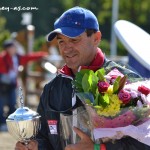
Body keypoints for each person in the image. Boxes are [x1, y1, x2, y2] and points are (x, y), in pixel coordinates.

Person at [15, 6, 150, 150]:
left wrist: (99, 148)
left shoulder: (125, 82)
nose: (66, 49)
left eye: (74, 40)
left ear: (96, 38)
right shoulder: (52, 88)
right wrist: (36, 146)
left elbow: (145, 141)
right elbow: (44, 137)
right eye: (61, 41)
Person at [0, 39, 47, 131]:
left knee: (12, 104)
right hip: (2, 86)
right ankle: (2, 124)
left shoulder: (17, 57)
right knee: (1, 105)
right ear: (8, 49)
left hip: (12, 85)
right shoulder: (2, 58)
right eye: (13, 47)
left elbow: (29, 57)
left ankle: (11, 124)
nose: (15, 48)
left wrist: (43, 54)